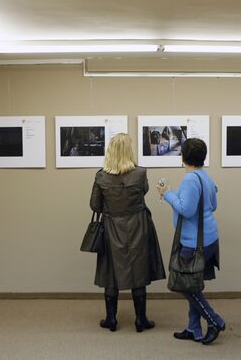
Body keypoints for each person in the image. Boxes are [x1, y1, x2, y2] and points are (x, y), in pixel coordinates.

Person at [90, 133, 166, 332]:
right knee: (138, 270)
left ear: (110, 152)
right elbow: (145, 191)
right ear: (129, 151)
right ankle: (141, 320)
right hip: (138, 226)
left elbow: (95, 206)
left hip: (111, 227)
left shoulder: (101, 175)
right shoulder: (140, 173)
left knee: (110, 272)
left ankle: (111, 319)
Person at [157, 138, 225, 345]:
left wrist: (167, 193)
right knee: (194, 285)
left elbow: (187, 210)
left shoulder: (189, 180)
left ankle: (214, 321)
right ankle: (193, 328)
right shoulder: (205, 176)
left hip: (194, 242)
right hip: (210, 238)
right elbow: (213, 205)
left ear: (183, 157)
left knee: (187, 287)